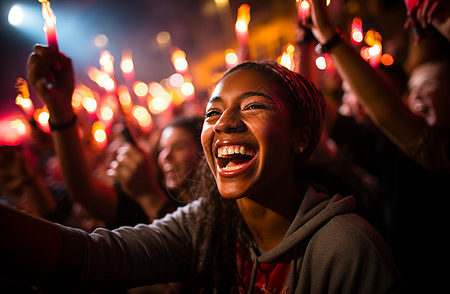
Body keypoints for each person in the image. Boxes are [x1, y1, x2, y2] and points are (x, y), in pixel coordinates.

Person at [0, 46, 404, 293]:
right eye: (213, 112)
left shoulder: (346, 248)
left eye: (252, 106)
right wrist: (59, 112)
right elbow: (92, 259)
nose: (225, 123)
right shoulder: (208, 223)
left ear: (301, 138)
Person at [303, 0, 449, 292]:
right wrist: (313, 38)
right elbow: (314, 108)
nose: (418, 96)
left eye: (431, 85)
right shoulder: (392, 154)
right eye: (414, 88)